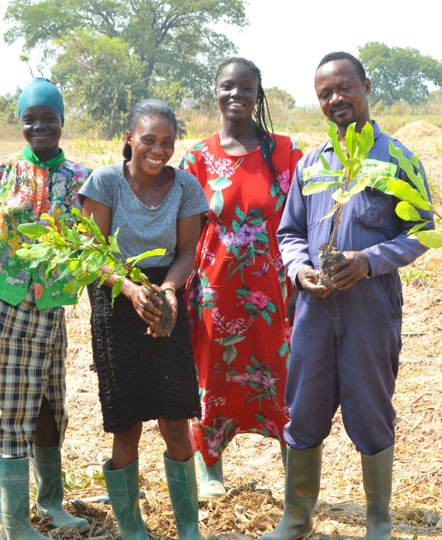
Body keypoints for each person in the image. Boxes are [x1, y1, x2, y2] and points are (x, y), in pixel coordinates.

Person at [268, 52, 430, 540]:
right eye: (324, 93)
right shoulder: (311, 164)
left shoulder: (397, 159)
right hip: (314, 310)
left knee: (372, 407)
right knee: (303, 408)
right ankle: (297, 518)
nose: (335, 99)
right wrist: (299, 272)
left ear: (365, 86)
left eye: (344, 88)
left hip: (369, 309)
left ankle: (378, 522)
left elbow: (422, 230)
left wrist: (369, 261)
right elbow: (289, 232)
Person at [0, 78, 91, 539]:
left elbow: (92, 245)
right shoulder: (0, 171)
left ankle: (51, 504)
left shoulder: (81, 178)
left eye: (48, 118)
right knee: (7, 411)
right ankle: (14, 523)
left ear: (61, 121)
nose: (39, 126)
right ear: (21, 124)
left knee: (47, 409)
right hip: (0, 305)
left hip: (51, 309)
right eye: (29, 119)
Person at [80, 98, 208, 540]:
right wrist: (131, 289)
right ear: (129, 139)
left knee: (175, 418)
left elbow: (187, 252)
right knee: (127, 422)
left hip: (165, 297)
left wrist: (167, 293)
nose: (158, 150)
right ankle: (132, 529)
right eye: (149, 140)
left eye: (168, 142)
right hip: (116, 298)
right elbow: (93, 255)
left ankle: (188, 529)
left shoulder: (186, 187)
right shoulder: (105, 182)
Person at [178, 57, 303, 498]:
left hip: (274, 291)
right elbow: (183, 228)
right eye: (227, 86)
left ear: (258, 93)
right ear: (215, 91)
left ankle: (295, 476)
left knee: (282, 380)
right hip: (214, 290)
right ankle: (211, 473)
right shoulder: (197, 158)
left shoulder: (286, 154)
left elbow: (303, 221)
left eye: (246, 87)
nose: (237, 95)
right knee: (212, 377)